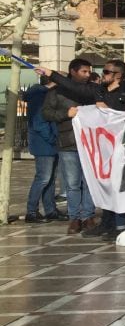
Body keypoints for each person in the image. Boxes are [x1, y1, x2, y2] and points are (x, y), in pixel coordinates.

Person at [41, 58, 96, 234]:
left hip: (89, 143)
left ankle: (88, 215)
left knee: (89, 182)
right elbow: (47, 113)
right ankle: (75, 218)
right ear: (73, 71)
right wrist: (66, 113)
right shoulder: (56, 92)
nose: (87, 75)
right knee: (72, 183)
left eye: (89, 72)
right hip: (68, 143)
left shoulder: (92, 90)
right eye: (84, 72)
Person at [22, 76, 63, 224]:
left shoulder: (42, 94)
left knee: (50, 179)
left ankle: (50, 210)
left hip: (48, 143)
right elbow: (39, 122)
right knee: (43, 178)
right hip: (44, 143)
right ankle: (32, 212)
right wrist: (52, 138)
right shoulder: (40, 96)